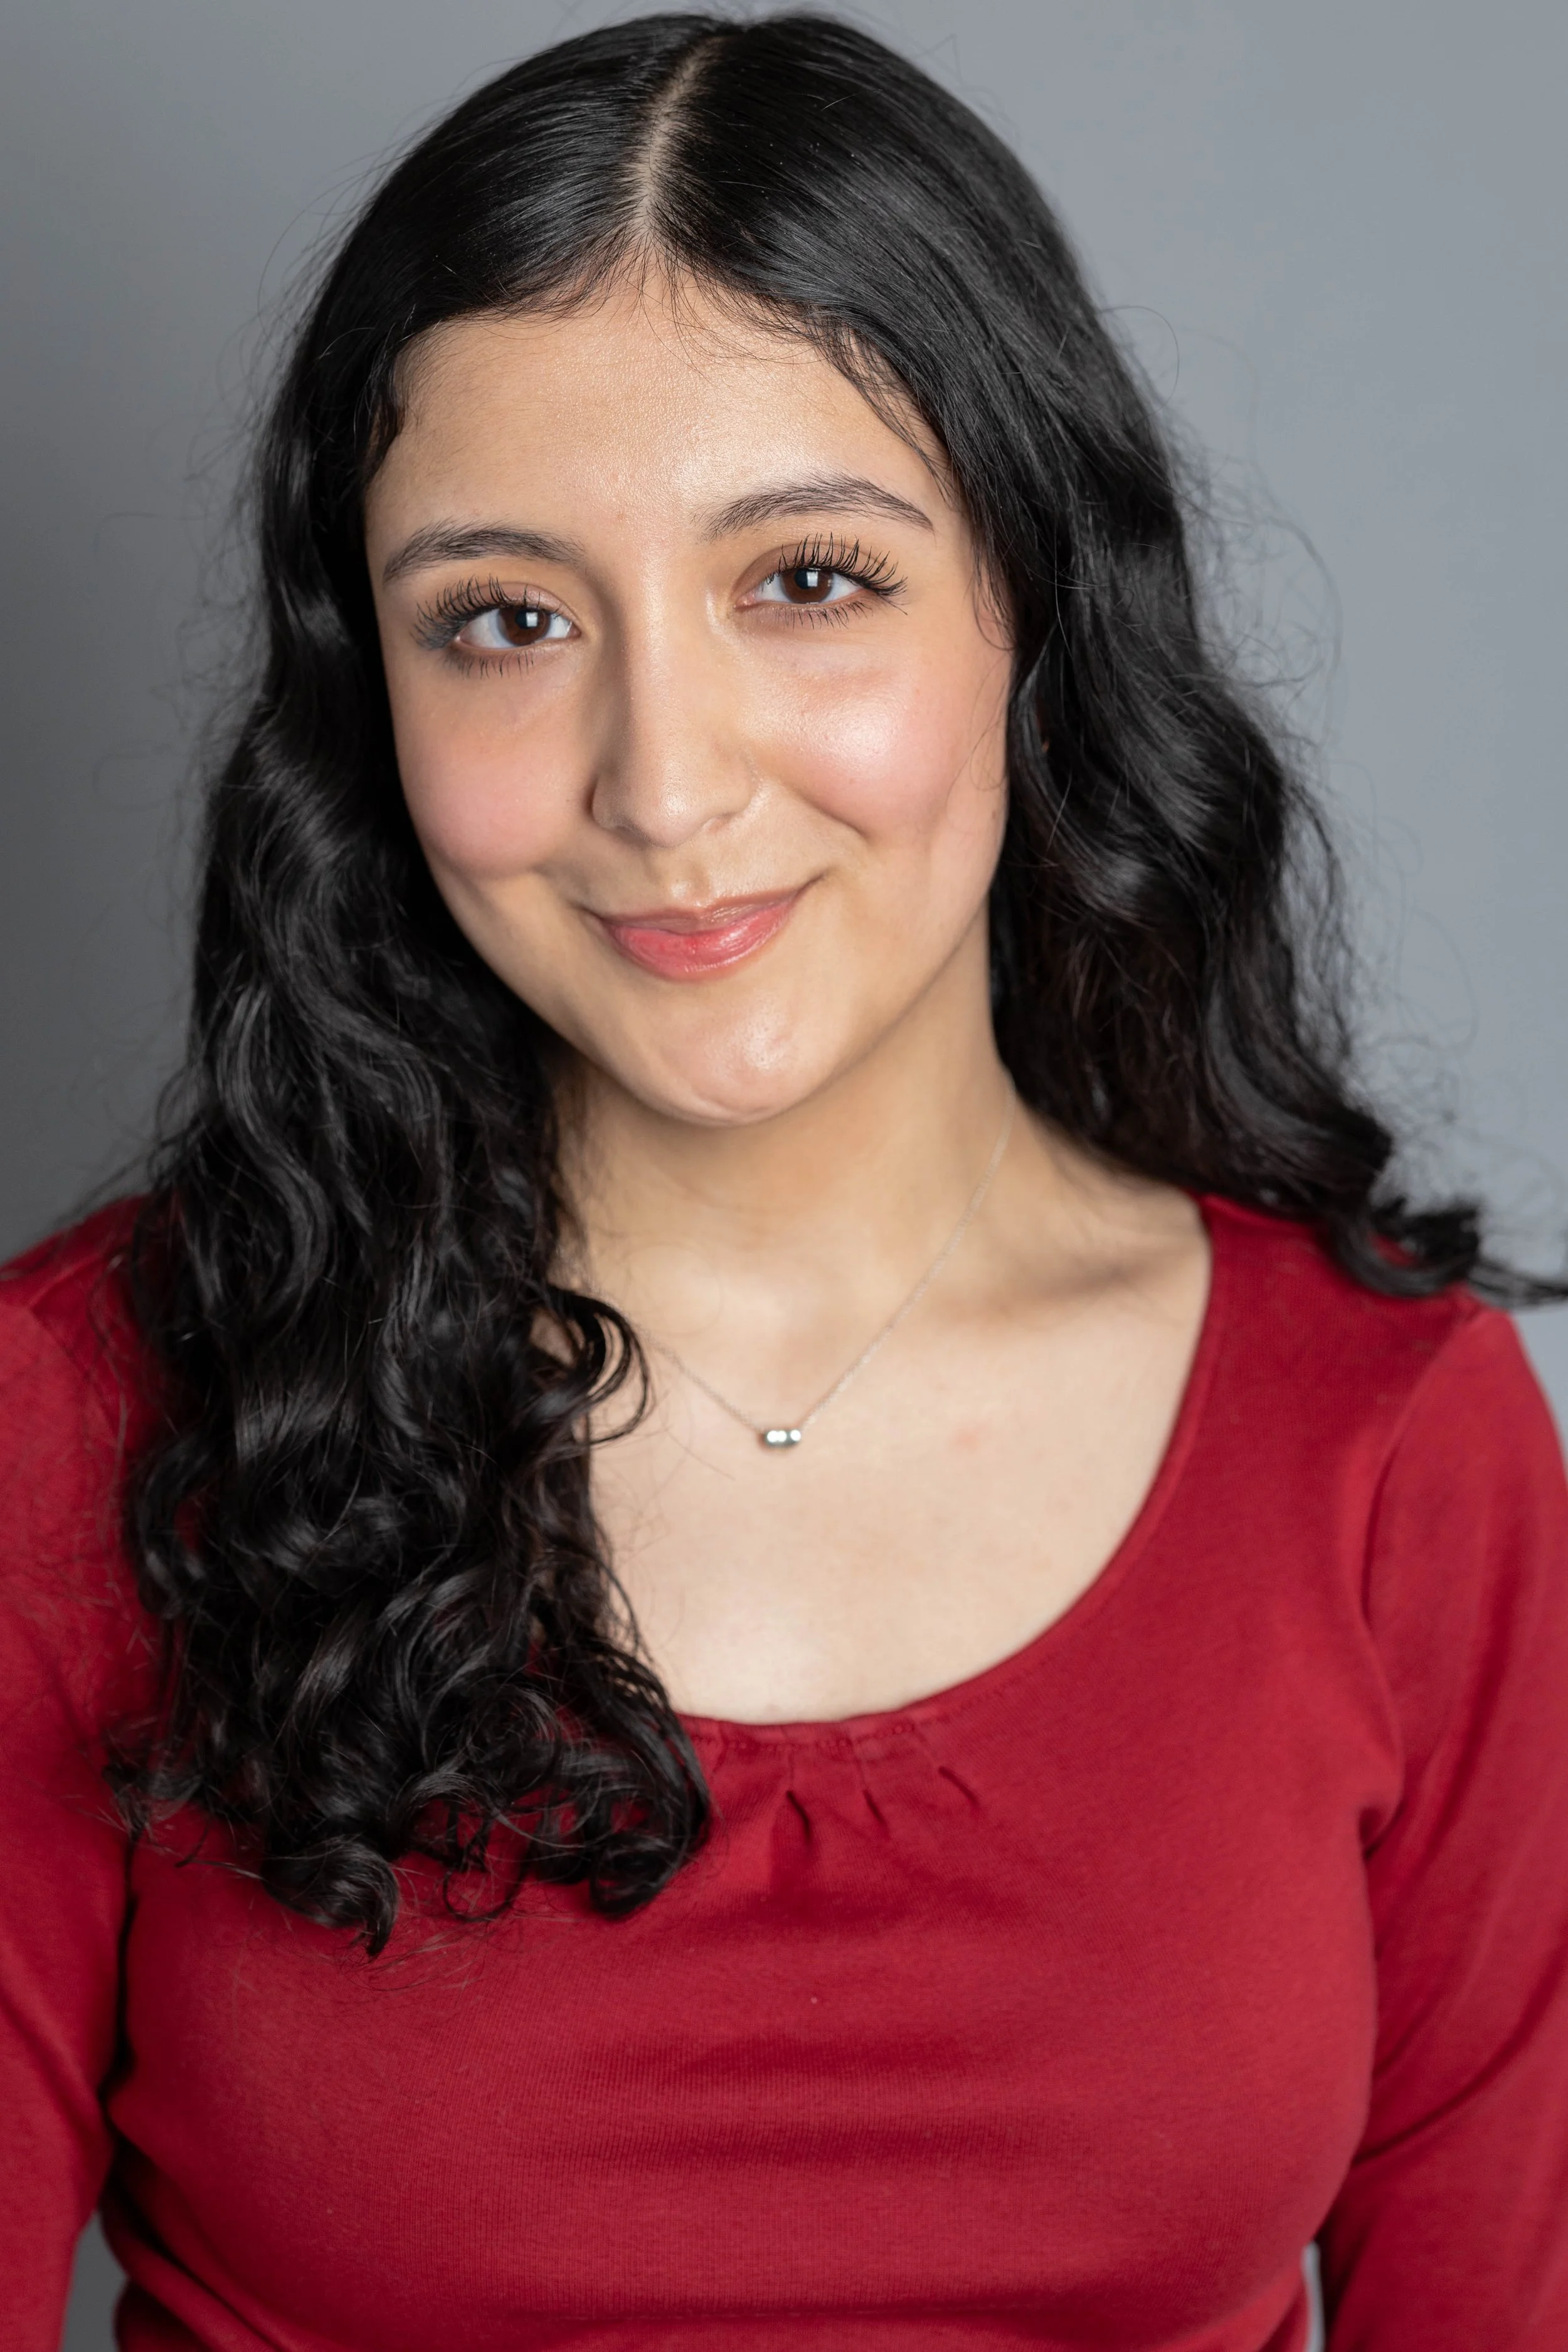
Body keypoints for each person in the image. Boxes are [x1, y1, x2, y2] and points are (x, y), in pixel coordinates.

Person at [2, 12, 1565, 2348]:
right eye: (506, 621)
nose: (660, 778)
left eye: (805, 580)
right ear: (374, 697)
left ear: (1028, 611)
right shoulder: (82, 1418)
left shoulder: (1385, 1440)